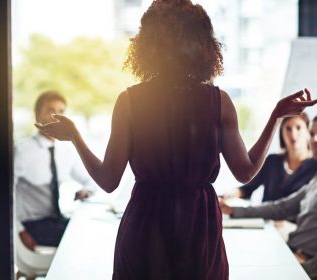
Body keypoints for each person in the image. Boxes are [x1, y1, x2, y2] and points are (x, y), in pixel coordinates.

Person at [36, 1, 317, 279]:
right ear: (202, 43)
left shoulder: (130, 102)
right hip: (198, 228)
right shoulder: (218, 102)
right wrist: (275, 117)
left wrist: (75, 136)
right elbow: (245, 171)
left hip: (145, 225)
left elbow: (108, 181)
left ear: (149, 44)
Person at [220, 116, 317, 278]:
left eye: (300, 128)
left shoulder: (311, 167)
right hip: (290, 247)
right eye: (313, 133)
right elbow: (283, 206)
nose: (314, 139)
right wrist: (233, 210)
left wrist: (302, 267)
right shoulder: (313, 180)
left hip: (303, 261)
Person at [15, 90, 95, 250]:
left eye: (61, 112)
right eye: (50, 111)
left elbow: (91, 179)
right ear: (37, 114)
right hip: (32, 225)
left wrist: (87, 190)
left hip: (56, 220)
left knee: (91, 229)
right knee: (81, 238)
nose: (56, 117)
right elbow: (1, 196)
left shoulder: (65, 151)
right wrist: (19, 231)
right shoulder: (22, 151)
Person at [224, 113, 316, 202]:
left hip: (295, 218)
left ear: (308, 132)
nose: (293, 134)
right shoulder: (272, 161)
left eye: (298, 128)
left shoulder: (314, 167)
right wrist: (229, 195)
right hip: (265, 217)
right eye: (288, 129)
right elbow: (247, 188)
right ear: (281, 134)